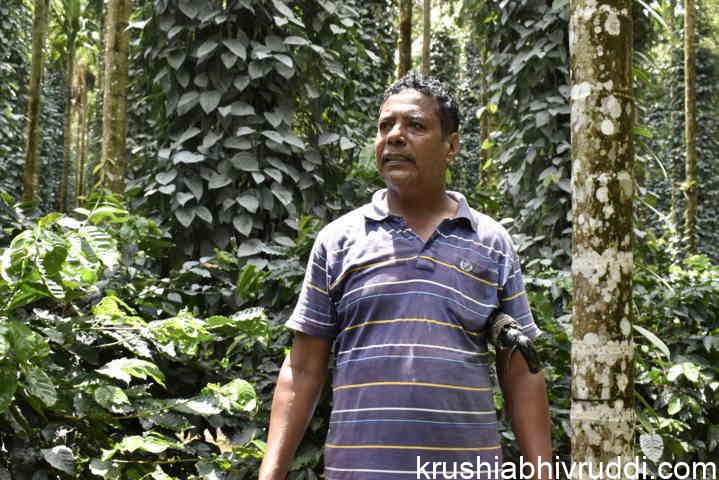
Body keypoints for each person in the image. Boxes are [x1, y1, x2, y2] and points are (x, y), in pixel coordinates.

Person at [258, 72, 552, 480]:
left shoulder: (491, 242)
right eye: (385, 126)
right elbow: (304, 370)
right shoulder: (338, 241)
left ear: (451, 147)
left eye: (415, 125)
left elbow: (520, 370)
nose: (395, 136)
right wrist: (271, 474)